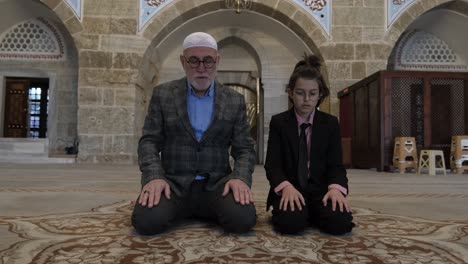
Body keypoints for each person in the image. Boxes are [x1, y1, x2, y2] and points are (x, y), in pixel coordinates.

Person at [132, 32, 257, 235]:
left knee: (242, 219)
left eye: (208, 61)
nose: (201, 69)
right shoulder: (163, 94)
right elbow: (149, 142)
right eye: (194, 61)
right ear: (183, 61)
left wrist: (240, 178)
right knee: (147, 221)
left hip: (217, 185)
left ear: (217, 61)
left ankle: (196, 210)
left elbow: (245, 148)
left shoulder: (234, 100)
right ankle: (179, 208)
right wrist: (154, 177)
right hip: (173, 184)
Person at [264, 54, 354, 235]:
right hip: (291, 188)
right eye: (300, 93)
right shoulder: (279, 122)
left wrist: (336, 189)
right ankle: (303, 213)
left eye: (312, 94)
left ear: (320, 94)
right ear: (290, 92)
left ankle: (313, 212)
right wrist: (286, 187)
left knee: (340, 224)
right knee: (291, 224)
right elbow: (273, 166)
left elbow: (336, 165)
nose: (306, 99)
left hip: (321, 190)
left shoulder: (330, 124)